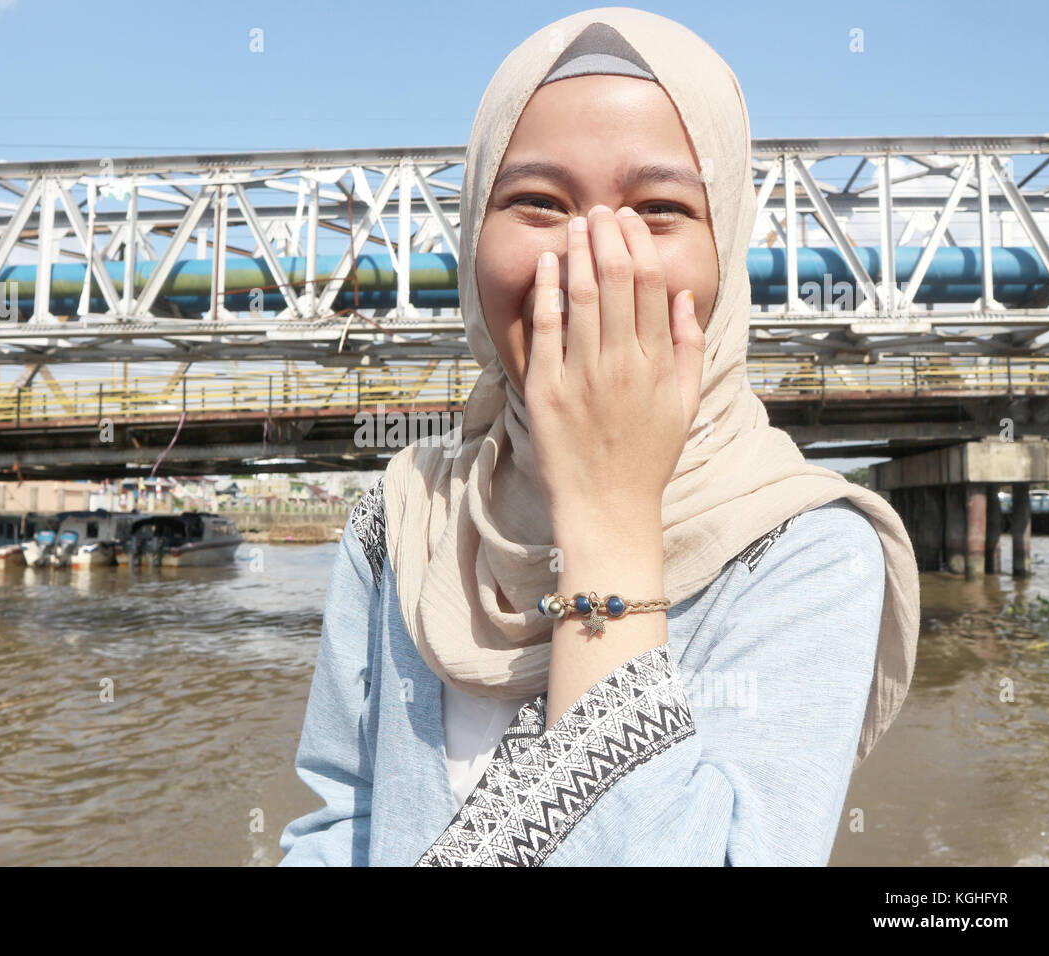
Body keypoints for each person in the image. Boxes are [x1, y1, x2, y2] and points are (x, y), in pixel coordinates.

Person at [279, 6, 920, 867]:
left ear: (725, 253)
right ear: (473, 239)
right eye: (538, 203)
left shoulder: (811, 551)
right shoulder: (400, 519)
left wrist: (609, 512)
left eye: (658, 209)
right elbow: (338, 826)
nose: (594, 260)